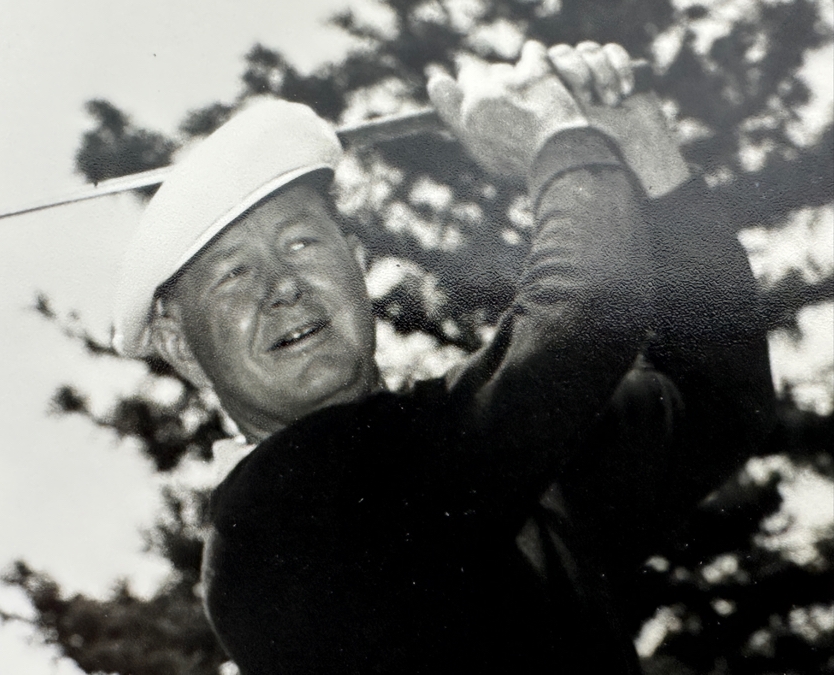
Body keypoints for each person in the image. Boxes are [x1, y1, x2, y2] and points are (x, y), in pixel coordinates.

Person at [112, 41, 774, 674]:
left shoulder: (470, 454)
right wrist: (558, 140)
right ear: (180, 347)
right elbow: (587, 308)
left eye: (301, 244)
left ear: (357, 262)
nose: (282, 287)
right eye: (233, 275)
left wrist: (644, 147)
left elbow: (719, 397)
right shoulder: (274, 515)